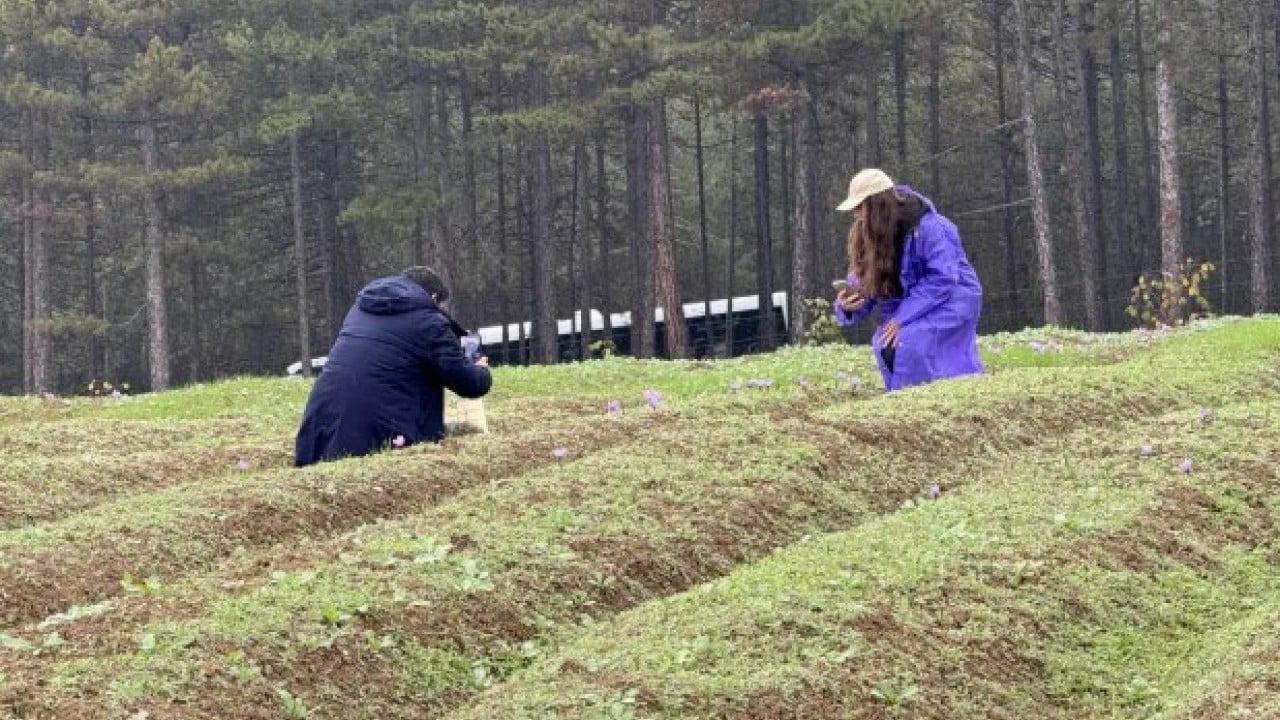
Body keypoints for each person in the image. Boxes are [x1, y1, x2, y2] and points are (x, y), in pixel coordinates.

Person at [294, 266, 492, 467]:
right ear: (433, 297)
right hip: (377, 431)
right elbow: (467, 382)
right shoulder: (429, 322)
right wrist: (481, 370)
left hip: (321, 423)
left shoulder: (361, 309)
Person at [832, 169, 983, 391]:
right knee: (885, 344)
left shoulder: (931, 227)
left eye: (859, 207)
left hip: (952, 299)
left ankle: (930, 393)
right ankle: (907, 395)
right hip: (911, 306)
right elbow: (863, 283)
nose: (855, 214)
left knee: (910, 342)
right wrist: (847, 306)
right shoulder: (867, 233)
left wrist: (902, 317)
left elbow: (944, 278)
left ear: (877, 204)